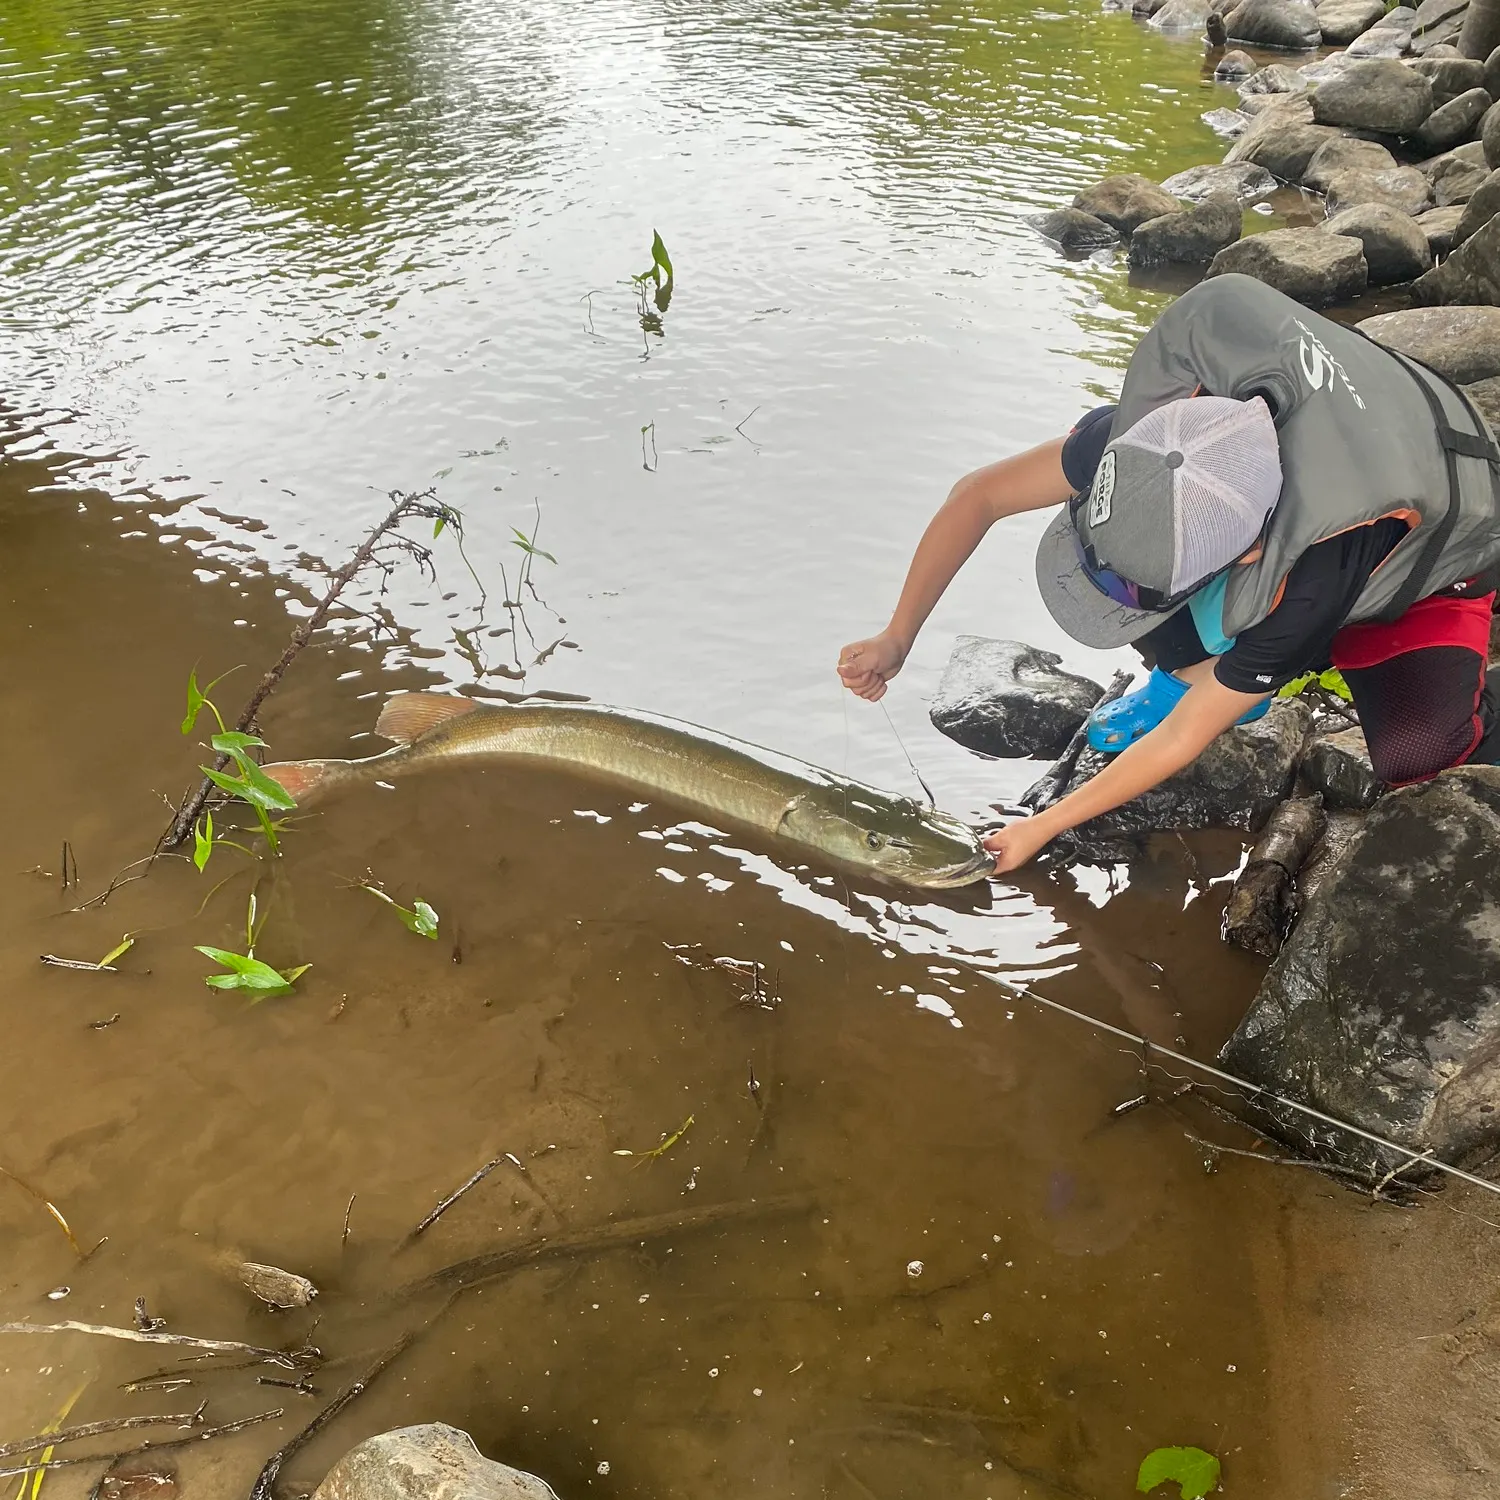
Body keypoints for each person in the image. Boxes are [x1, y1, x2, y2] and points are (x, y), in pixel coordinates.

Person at [838, 274, 1500, 874]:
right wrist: (898, 636)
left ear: (1245, 556)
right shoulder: (1152, 445)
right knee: (1177, 635)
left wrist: (1043, 825)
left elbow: (1189, 735)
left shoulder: (1312, 572)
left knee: (1416, 755)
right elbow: (977, 495)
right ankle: (1211, 673)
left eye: (1142, 591)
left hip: (1437, 552)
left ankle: (1455, 702)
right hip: (1353, 427)